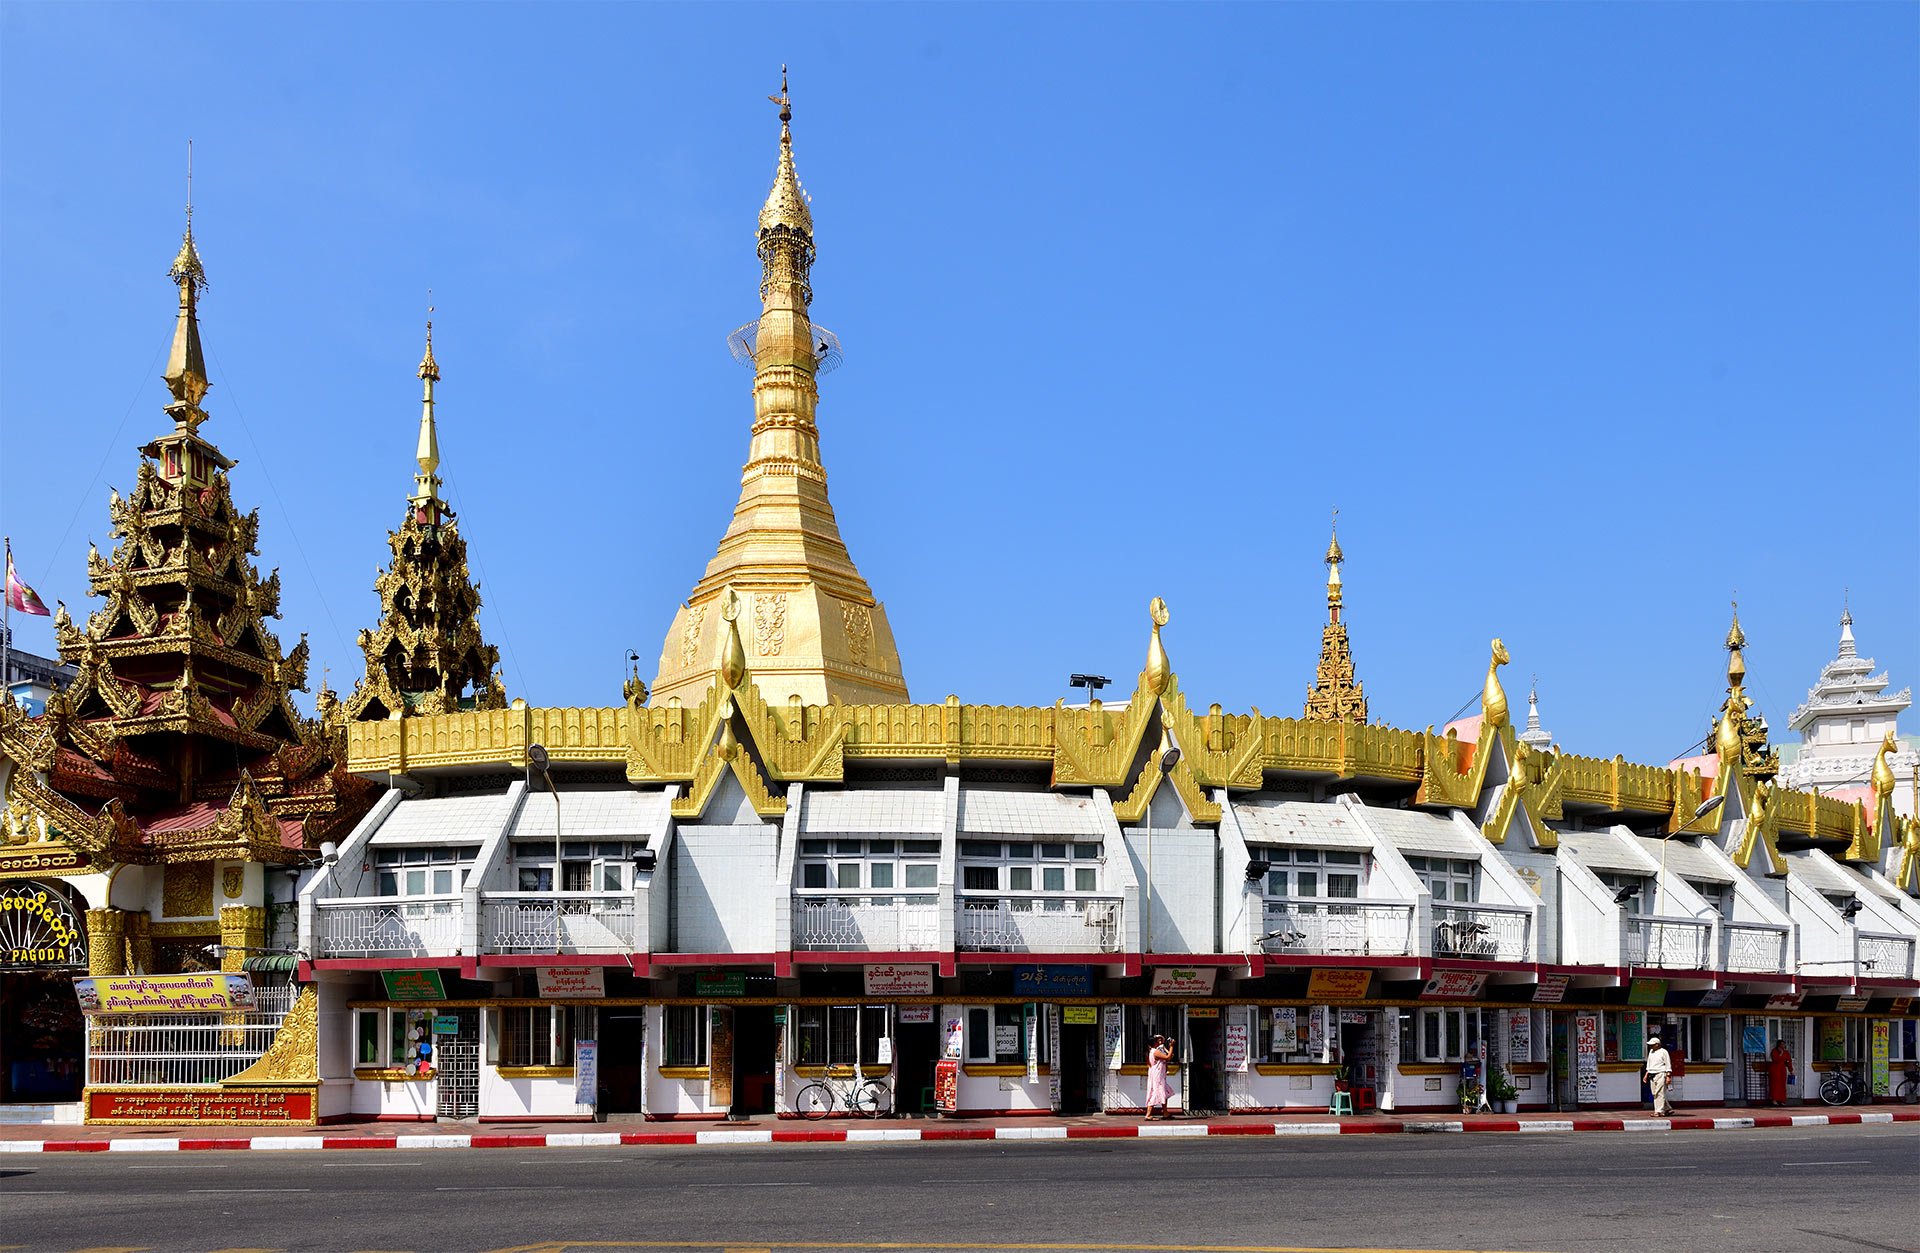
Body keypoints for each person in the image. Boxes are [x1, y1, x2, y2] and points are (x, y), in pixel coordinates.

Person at [1145, 1033, 1174, 1120]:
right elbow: (1168, 1057)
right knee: (1156, 1093)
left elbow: (1169, 1055)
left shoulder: (1155, 1050)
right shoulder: (1155, 1051)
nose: (1159, 1041)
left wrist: (1167, 1047)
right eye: (1158, 1040)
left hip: (1158, 1074)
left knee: (1163, 1092)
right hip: (1158, 1075)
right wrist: (1172, 1046)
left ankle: (1165, 1112)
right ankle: (1148, 1114)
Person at [1644, 1035, 1674, 1115]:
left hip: (1661, 1073)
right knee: (1655, 1093)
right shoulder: (1651, 1052)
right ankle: (1667, 1108)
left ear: (1657, 1044)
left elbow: (1668, 1064)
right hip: (1652, 1074)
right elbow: (1649, 1064)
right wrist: (1646, 1074)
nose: (1651, 1046)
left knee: (1659, 1093)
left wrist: (1668, 1076)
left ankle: (1659, 1111)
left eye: (1652, 1044)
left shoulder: (1663, 1052)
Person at [1767, 1039, 1793, 1106]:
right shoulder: (1774, 1051)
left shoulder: (1786, 1052)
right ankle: (1774, 1099)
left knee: (1782, 1085)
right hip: (1775, 1069)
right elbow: (1775, 1059)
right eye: (1781, 1044)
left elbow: (1789, 1061)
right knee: (1775, 1084)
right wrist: (1781, 1054)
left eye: (1784, 1044)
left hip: (1782, 1069)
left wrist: (1791, 1070)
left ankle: (1781, 1100)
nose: (1783, 1046)